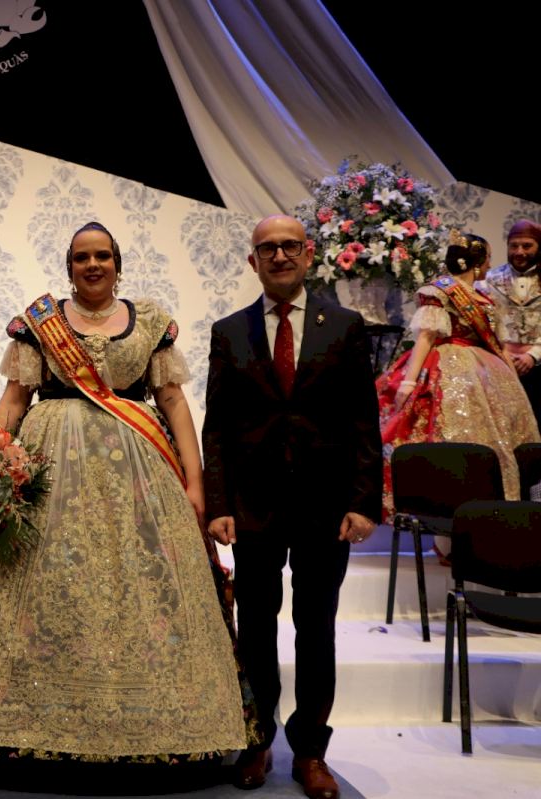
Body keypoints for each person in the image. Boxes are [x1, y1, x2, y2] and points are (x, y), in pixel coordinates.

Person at [0, 222, 252, 768]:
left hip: (140, 476)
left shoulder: (150, 322)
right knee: (53, 586)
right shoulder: (40, 324)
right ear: (69, 266)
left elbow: (173, 403)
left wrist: (195, 484)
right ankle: (34, 725)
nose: (92, 265)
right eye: (81, 257)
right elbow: (14, 399)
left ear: (118, 264)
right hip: (51, 471)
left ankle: (159, 726)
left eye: (102, 256)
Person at [203, 215, 382, 799]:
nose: (278, 256)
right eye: (267, 248)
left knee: (316, 629)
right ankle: (257, 740)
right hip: (253, 507)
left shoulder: (346, 327)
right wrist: (218, 503)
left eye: (289, 246)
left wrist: (364, 502)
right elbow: (217, 428)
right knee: (255, 628)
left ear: (307, 255)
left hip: (325, 508)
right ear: (252, 261)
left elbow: (364, 421)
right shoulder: (229, 331)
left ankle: (310, 752)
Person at [378, 231, 540, 514]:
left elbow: (496, 342)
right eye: (488, 259)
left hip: (486, 371)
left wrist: (511, 376)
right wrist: (408, 381)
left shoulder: (483, 297)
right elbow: (426, 337)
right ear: (476, 263)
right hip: (446, 365)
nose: (490, 265)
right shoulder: (439, 291)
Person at [478, 219, 541, 426]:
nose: (519, 252)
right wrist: (501, 353)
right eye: (514, 246)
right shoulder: (489, 280)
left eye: (527, 246)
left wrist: (533, 355)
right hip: (500, 363)